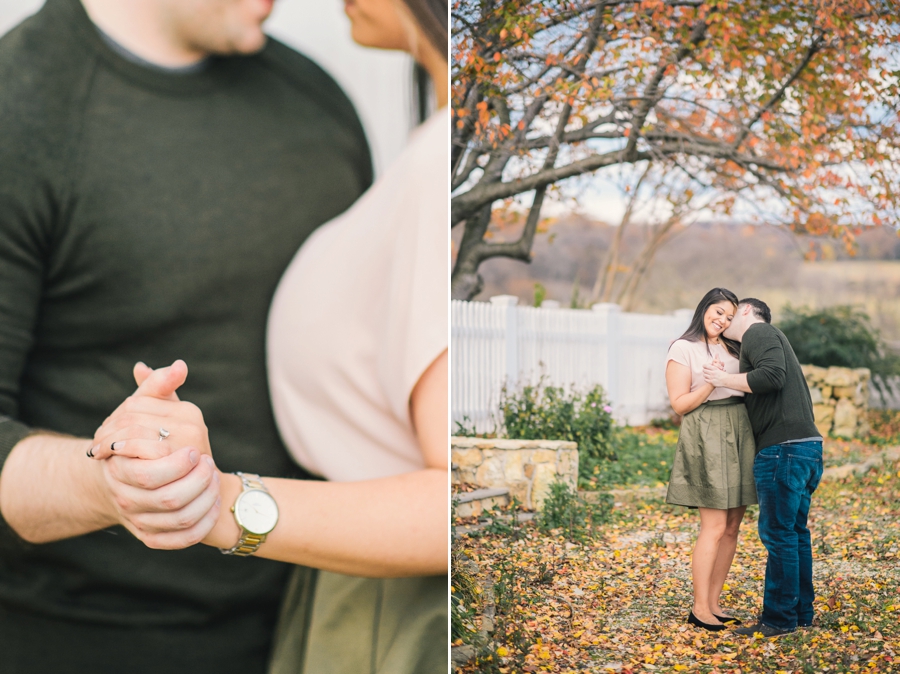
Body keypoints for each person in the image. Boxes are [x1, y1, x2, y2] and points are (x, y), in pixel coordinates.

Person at [0, 0, 372, 671]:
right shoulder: (18, 106)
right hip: (84, 639)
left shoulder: (317, 103)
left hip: (314, 629)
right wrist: (112, 481)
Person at [87, 0, 450, 671]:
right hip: (345, 585)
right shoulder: (428, 149)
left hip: (398, 612)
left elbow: (455, 500)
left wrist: (218, 502)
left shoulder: (439, 166)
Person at [702, 298, 823, 639]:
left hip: (783, 451)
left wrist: (722, 377)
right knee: (795, 534)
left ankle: (778, 620)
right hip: (807, 447)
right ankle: (800, 615)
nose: (725, 320)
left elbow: (772, 376)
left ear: (744, 311)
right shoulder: (770, 339)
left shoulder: (759, 331)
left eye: (731, 313)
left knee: (779, 535)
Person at [664, 288, 758, 632]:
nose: (723, 320)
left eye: (730, 317)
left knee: (733, 526)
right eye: (718, 312)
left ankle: (715, 604)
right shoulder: (683, 348)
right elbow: (680, 404)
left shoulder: (735, 347)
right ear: (704, 308)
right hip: (706, 429)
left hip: (740, 429)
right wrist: (708, 382)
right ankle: (699, 607)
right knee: (715, 525)